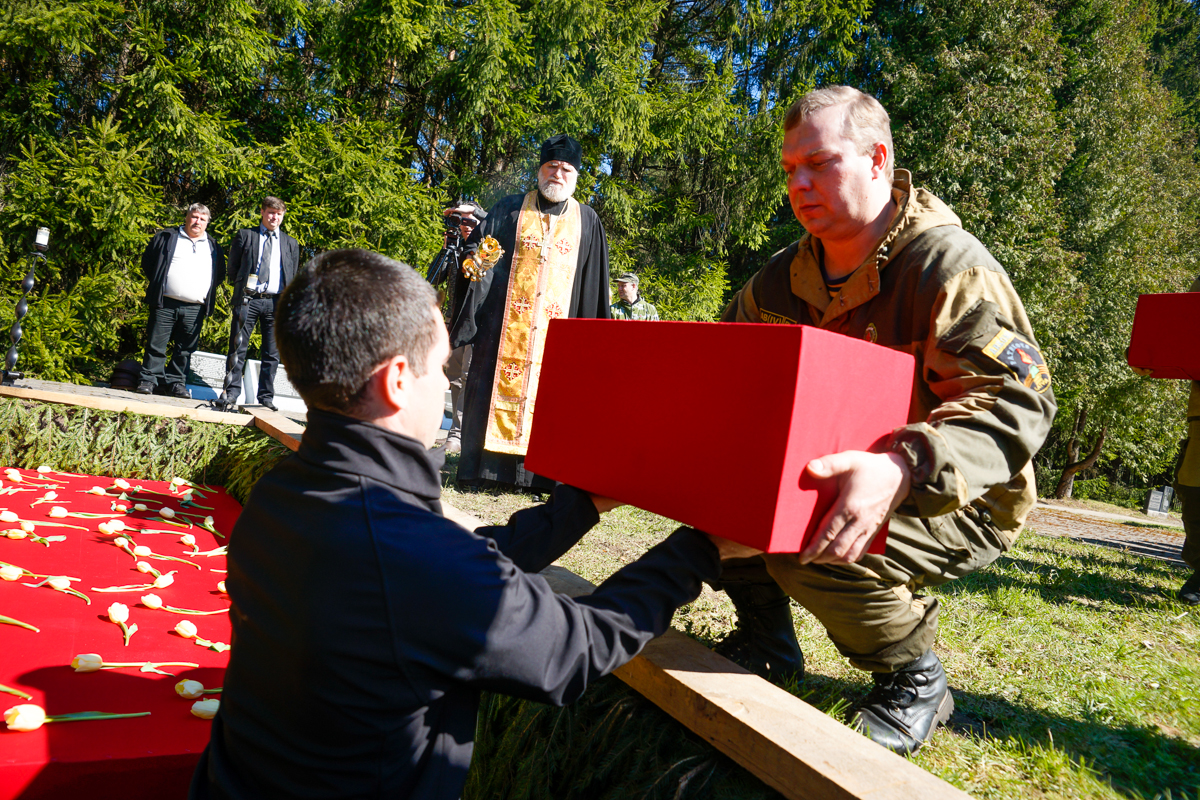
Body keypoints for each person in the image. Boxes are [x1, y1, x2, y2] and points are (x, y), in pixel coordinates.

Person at [189, 248, 743, 800]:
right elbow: (570, 650)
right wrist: (702, 550)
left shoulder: (287, 492)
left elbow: (453, 573)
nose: (448, 384)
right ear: (399, 380)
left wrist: (579, 508)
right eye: (444, 365)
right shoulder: (407, 554)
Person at [716, 85, 1057, 755]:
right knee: (721, 492)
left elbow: (1021, 400)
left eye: (819, 162)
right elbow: (727, 368)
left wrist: (903, 464)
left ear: (876, 160)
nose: (800, 183)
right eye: (790, 169)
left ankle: (914, 677)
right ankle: (766, 642)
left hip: (962, 491)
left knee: (805, 536)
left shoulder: (948, 267)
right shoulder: (781, 278)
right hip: (840, 471)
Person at [449, 134, 611, 490]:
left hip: (558, 337)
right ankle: (485, 472)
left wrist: (594, 343)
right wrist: (476, 261)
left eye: (566, 168)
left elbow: (595, 286)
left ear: (576, 176)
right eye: (551, 166)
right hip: (503, 331)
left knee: (554, 401)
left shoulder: (588, 221)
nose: (558, 173)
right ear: (540, 170)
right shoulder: (509, 209)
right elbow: (479, 249)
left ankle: (545, 478)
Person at [135, 203, 225, 398]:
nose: (197, 222)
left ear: (207, 222)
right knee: (156, 344)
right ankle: (149, 380)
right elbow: (149, 263)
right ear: (186, 217)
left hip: (195, 307)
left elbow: (219, 275)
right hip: (165, 302)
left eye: (202, 219)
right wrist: (161, 283)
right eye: (194, 217)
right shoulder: (167, 237)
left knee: (185, 349)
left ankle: (176, 383)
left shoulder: (214, 246)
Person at [222, 196, 300, 411]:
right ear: (263, 213)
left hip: (276, 302)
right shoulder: (246, 235)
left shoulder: (290, 243)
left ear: (283, 216)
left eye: (279, 213)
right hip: (249, 300)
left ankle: (265, 397)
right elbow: (233, 266)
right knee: (238, 347)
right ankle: (231, 394)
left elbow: (292, 273)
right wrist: (240, 288)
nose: (275, 217)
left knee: (272, 353)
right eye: (271, 212)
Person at [429, 203, 486, 455]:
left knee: (466, 375)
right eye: (461, 222)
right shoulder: (455, 250)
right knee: (453, 378)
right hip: (452, 323)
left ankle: (458, 434)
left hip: (475, 324)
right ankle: (455, 429)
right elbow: (434, 279)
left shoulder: (486, 252)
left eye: (470, 223)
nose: (464, 227)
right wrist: (446, 249)